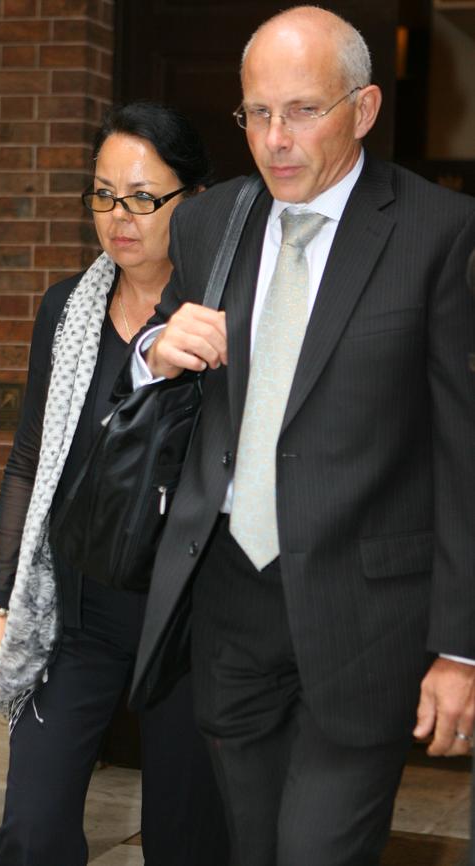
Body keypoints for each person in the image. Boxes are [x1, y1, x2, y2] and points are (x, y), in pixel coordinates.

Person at [127, 7, 475, 866]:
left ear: (363, 109)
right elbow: (165, 345)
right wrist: (154, 349)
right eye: (256, 113)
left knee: (318, 851)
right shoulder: (214, 223)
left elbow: (466, 454)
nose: (275, 139)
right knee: (255, 847)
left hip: (367, 616)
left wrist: (461, 649)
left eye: (303, 111)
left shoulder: (438, 233)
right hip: (232, 604)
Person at [0, 102, 228, 866]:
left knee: (186, 844)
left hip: (186, 618)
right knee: (32, 832)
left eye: (144, 197)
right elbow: (28, 464)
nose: (121, 217)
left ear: (195, 200)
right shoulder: (67, 310)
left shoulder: (222, 313)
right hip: (76, 610)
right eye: (104, 195)